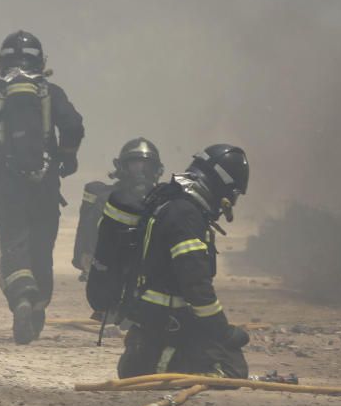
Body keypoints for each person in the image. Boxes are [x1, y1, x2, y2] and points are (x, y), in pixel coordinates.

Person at [0, 30, 84, 344]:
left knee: (13, 243)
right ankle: (39, 304)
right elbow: (73, 126)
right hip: (44, 185)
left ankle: (22, 298)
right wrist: (66, 157)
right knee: (42, 246)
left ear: (2, 62)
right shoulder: (50, 92)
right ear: (40, 62)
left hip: (4, 185)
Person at [87, 144, 250, 378]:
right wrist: (222, 332)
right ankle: (154, 365)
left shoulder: (171, 201)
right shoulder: (186, 215)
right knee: (233, 367)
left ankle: (142, 358)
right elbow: (196, 286)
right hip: (168, 322)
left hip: (152, 320)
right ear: (222, 184)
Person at [72, 137, 164, 282]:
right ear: (122, 167)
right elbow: (90, 232)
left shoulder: (164, 200)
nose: (140, 172)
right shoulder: (106, 199)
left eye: (146, 166)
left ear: (156, 169)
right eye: (135, 165)